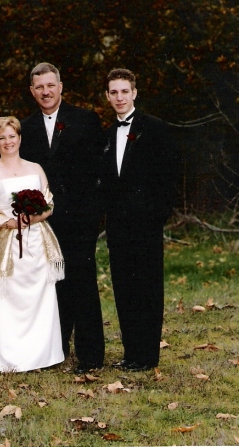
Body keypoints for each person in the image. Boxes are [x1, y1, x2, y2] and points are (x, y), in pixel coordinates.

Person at [19, 62, 106, 373]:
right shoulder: (24, 128)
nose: (46, 92)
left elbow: (100, 171)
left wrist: (94, 215)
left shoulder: (85, 120)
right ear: (32, 91)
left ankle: (91, 356)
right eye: (39, 87)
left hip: (80, 220)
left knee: (82, 284)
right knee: (49, 287)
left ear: (60, 87)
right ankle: (53, 353)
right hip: (43, 223)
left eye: (50, 85)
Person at [102, 68, 181, 371]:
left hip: (146, 226)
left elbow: (170, 175)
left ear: (134, 93)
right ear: (108, 96)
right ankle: (130, 352)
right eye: (114, 92)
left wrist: (156, 216)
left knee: (147, 288)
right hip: (118, 227)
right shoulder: (109, 133)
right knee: (124, 289)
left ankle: (148, 356)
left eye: (124, 91)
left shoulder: (156, 128)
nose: (119, 97)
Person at [0, 116, 65, 372]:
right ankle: (6, 357)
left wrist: (33, 217)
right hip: (6, 245)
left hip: (37, 242)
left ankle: (41, 355)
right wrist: (11, 223)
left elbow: (49, 204)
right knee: (8, 299)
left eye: (12, 136)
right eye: (2, 137)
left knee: (39, 296)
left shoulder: (35, 168)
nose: (8, 142)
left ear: (19, 138)